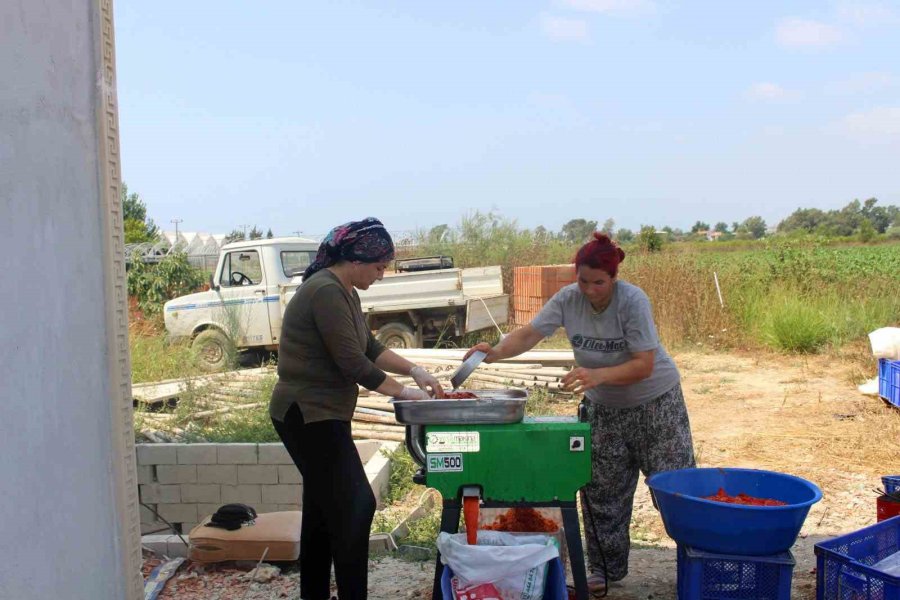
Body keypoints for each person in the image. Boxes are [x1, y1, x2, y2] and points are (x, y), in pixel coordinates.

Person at [466, 232, 695, 588]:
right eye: (583, 281)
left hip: (656, 405)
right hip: (603, 409)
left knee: (674, 488)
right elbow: (529, 334)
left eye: (599, 282)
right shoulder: (568, 299)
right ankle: (604, 570)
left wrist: (597, 374)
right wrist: (494, 351)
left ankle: (695, 565)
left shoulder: (632, 301)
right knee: (602, 493)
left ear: (614, 277)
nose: (589, 290)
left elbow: (644, 365)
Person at [270, 217, 444, 600]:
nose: (381, 275)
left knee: (322, 509)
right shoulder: (325, 291)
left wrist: (415, 371)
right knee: (355, 506)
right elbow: (353, 364)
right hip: (308, 414)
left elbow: (370, 348)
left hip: (323, 414)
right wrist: (404, 394)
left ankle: (314, 594)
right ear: (355, 259)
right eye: (379, 267)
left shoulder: (346, 291)